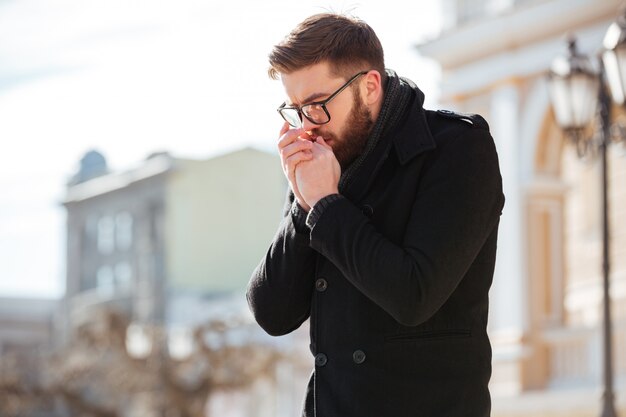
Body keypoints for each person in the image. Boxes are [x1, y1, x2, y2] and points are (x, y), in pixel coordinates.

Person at [247, 12, 505, 417]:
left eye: (316, 105)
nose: (307, 127)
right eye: (295, 110)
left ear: (369, 86)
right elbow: (273, 314)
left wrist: (328, 205)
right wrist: (303, 205)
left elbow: (414, 295)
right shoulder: (322, 166)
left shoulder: (458, 150)